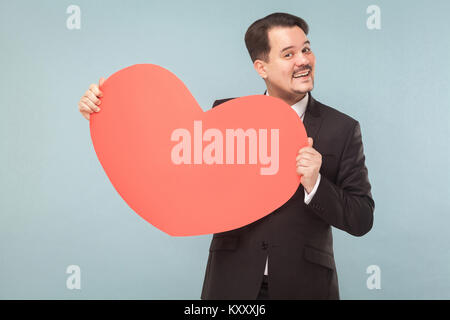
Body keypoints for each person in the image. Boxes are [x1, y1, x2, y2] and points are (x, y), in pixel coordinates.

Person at [78, 12, 374, 300]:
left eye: (306, 49)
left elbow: (361, 218)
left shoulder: (342, 129)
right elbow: (169, 163)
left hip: (305, 286)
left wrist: (316, 183)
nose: (303, 61)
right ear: (262, 67)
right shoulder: (226, 118)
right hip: (231, 282)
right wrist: (106, 111)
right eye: (288, 54)